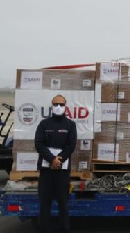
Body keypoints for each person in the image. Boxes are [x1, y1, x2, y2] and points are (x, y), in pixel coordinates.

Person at [34, 94, 77, 233]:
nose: (58, 107)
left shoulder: (70, 125)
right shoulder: (44, 124)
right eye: (56, 104)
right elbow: (39, 144)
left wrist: (59, 160)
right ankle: (44, 229)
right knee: (44, 204)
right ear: (52, 106)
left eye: (61, 104)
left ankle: (64, 229)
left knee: (63, 204)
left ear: (65, 106)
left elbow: (71, 146)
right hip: (46, 172)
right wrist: (51, 159)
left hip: (62, 172)